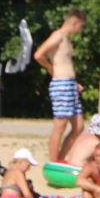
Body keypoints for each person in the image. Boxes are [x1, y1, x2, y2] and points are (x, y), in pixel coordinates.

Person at [34, 9, 87, 161]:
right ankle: (53, 161)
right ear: (75, 23)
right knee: (60, 125)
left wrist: (74, 83)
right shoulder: (58, 36)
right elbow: (38, 54)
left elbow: (65, 61)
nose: (80, 30)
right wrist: (49, 67)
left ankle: (61, 158)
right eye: (81, 26)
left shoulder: (66, 39)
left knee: (78, 126)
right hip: (61, 84)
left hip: (70, 84)